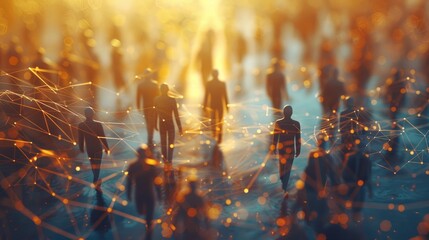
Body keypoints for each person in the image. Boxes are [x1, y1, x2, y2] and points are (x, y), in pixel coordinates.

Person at [294, 133, 340, 233]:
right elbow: (307, 171)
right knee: (314, 210)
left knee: (318, 211)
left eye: (322, 143)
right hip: (312, 188)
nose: (321, 145)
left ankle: (315, 229)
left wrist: (336, 186)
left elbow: (331, 174)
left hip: (317, 190)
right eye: (321, 143)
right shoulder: (317, 155)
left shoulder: (326, 157)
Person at [126, 144, 161, 240]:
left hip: (144, 193)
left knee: (147, 215)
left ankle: (148, 229)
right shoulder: (134, 166)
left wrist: (128, 193)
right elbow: (129, 181)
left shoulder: (149, 166)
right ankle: (148, 225)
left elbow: (157, 181)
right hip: (144, 193)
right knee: (142, 211)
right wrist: (159, 194)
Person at [78, 107, 109, 191]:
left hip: (89, 148)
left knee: (93, 164)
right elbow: (102, 137)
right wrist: (107, 147)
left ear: (85, 114)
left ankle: (96, 179)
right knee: (97, 165)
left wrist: (81, 147)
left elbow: (81, 138)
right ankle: (95, 180)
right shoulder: (98, 124)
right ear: (93, 114)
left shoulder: (81, 125)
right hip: (98, 148)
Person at [271, 105, 301, 192]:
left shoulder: (279, 123)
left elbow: (275, 137)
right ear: (291, 113)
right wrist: (298, 150)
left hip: (282, 149)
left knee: (282, 165)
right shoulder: (296, 123)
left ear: (283, 113)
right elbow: (298, 139)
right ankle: (285, 185)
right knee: (288, 167)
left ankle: (283, 183)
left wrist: (274, 148)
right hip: (291, 149)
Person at [341, 139, 373, 222]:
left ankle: (348, 223)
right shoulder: (366, 160)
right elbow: (368, 177)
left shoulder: (350, 157)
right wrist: (370, 190)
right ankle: (354, 224)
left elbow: (343, 173)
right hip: (359, 188)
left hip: (351, 186)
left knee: (349, 207)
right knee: (356, 208)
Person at [154, 83, 183, 163]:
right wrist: (180, 127)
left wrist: (155, 124)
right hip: (170, 124)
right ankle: (169, 160)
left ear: (160, 90)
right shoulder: (172, 100)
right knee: (171, 143)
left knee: (163, 143)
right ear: (168, 90)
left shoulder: (156, 99)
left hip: (161, 124)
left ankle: (165, 160)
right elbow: (176, 115)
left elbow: (155, 113)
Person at [203, 69, 229, 143]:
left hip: (213, 104)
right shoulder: (222, 83)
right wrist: (227, 106)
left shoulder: (209, 84)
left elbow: (206, 95)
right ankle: (219, 135)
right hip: (220, 104)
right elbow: (225, 96)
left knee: (213, 119)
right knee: (220, 120)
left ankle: (214, 133)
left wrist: (204, 105)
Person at [136, 68, 160, 147]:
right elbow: (158, 97)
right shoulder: (155, 84)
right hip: (153, 106)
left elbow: (138, 97)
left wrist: (138, 106)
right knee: (152, 122)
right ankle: (150, 137)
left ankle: (149, 137)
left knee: (147, 122)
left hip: (145, 106)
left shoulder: (140, 85)